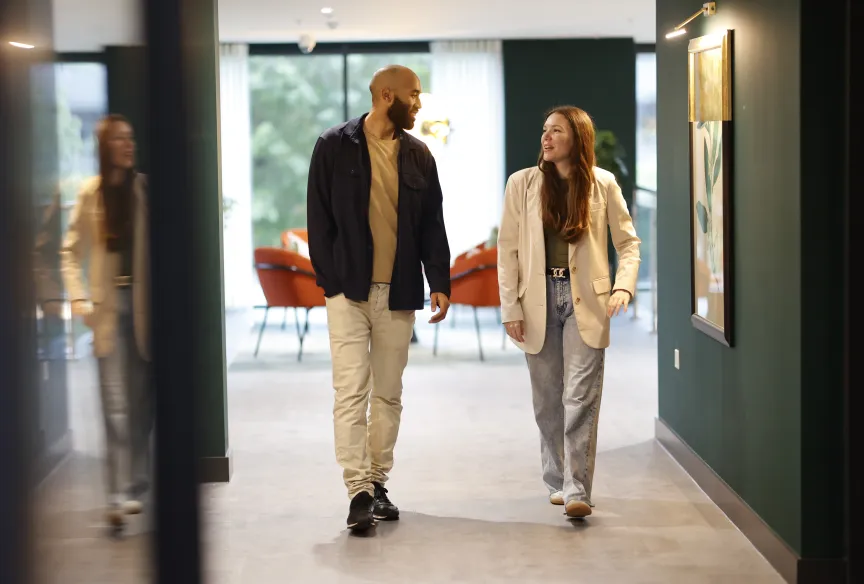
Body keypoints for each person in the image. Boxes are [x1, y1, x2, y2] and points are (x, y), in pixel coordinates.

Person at [307, 65, 451, 532]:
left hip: (400, 292)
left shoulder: (419, 156)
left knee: (388, 395)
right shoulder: (333, 145)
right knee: (351, 393)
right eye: (414, 95)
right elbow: (319, 219)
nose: (419, 103)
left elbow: (432, 224)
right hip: (347, 293)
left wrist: (440, 283)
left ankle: (377, 482)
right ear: (387, 95)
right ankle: (358, 493)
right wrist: (330, 281)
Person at [497, 106, 640, 519]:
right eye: (544, 130)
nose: (546, 137)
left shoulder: (602, 184)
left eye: (556, 131)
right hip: (536, 297)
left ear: (576, 138)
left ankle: (578, 488)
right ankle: (557, 480)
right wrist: (510, 306)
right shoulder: (521, 184)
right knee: (547, 401)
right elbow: (508, 252)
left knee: (580, 396)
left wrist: (624, 285)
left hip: (587, 301)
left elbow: (628, 243)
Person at [61, 114, 152, 534]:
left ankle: (133, 479)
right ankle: (116, 495)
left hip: (143, 308)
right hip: (107, 308)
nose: (128, 145)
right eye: (119, 138)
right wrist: (77, 297)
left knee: (138, 405)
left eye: (131, 138)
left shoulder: (141, 190)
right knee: (113, 403)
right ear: (104, 146)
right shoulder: (90, 194)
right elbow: (69, 251)